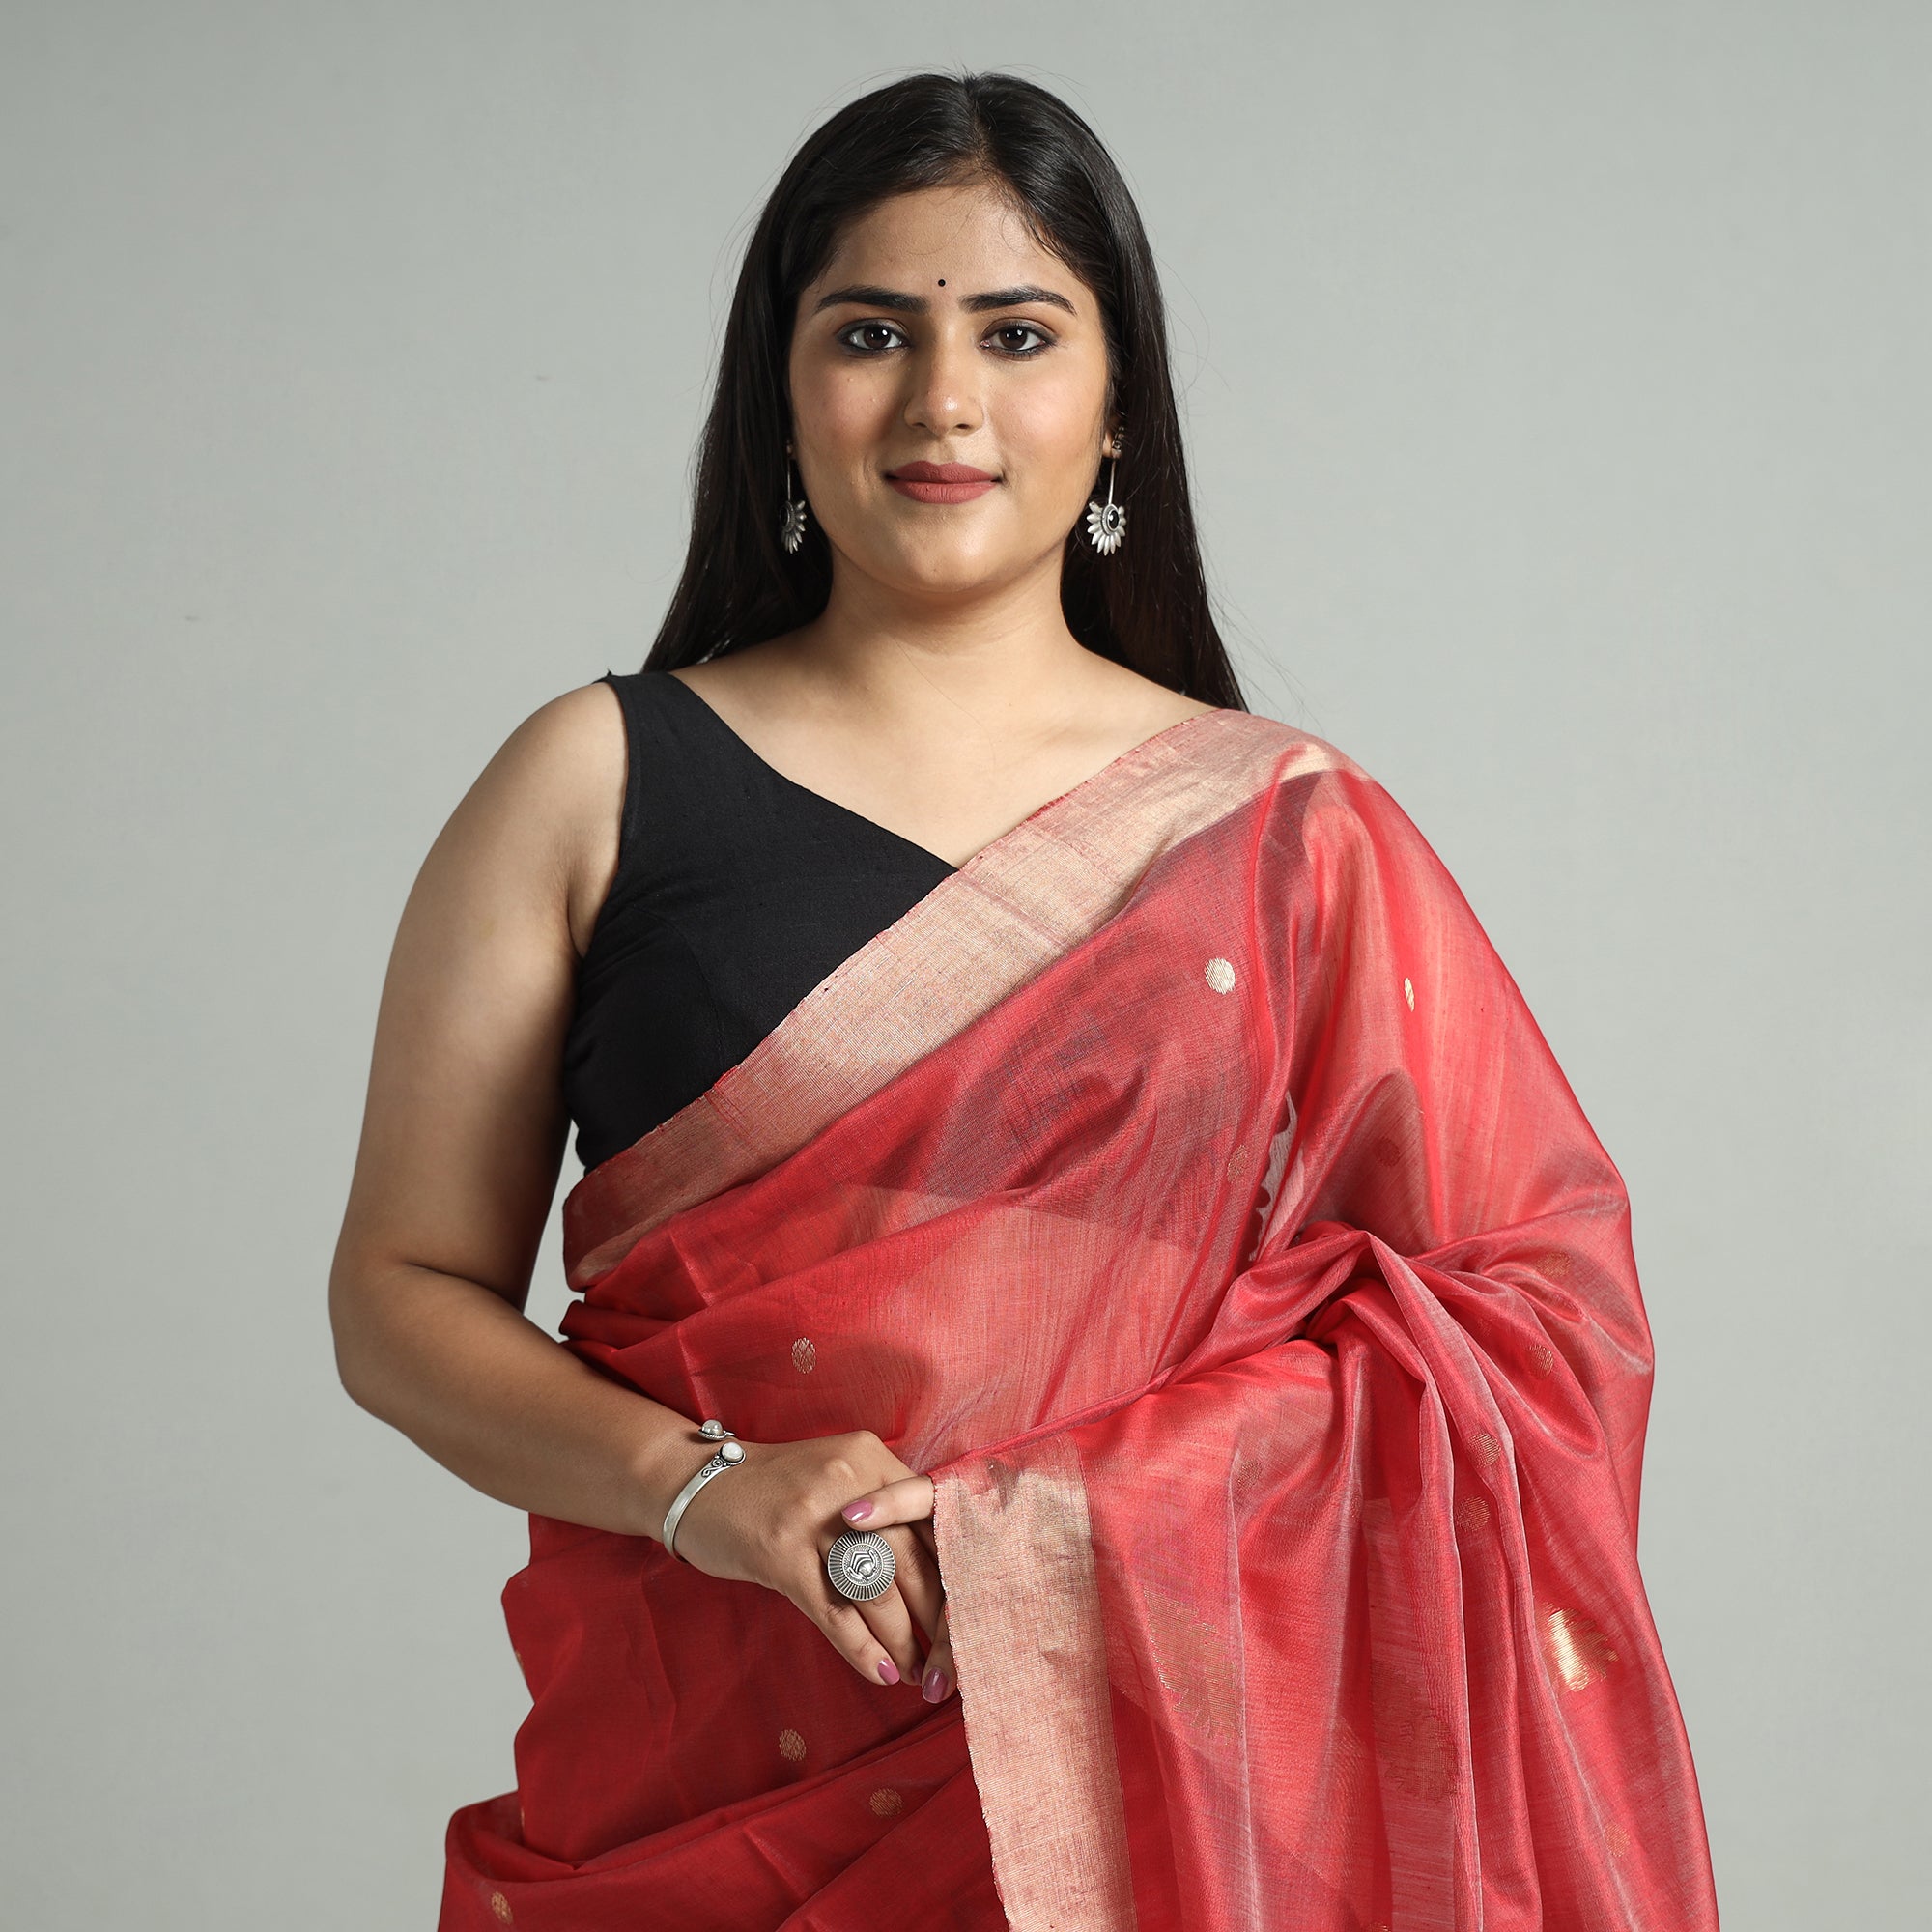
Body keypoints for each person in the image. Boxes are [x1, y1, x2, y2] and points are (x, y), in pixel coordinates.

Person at [328, 70, 1720, 1932]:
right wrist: (700, 1487)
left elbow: (1529, 1320)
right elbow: (400, 1295)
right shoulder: (589, 783)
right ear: (779, 392)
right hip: (697, 1785)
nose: (943, 400)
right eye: (870, 334)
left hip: (1164, 1803)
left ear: (1117, 400)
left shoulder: (1282, 837)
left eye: (1017, 332)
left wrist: (1063, 1530)